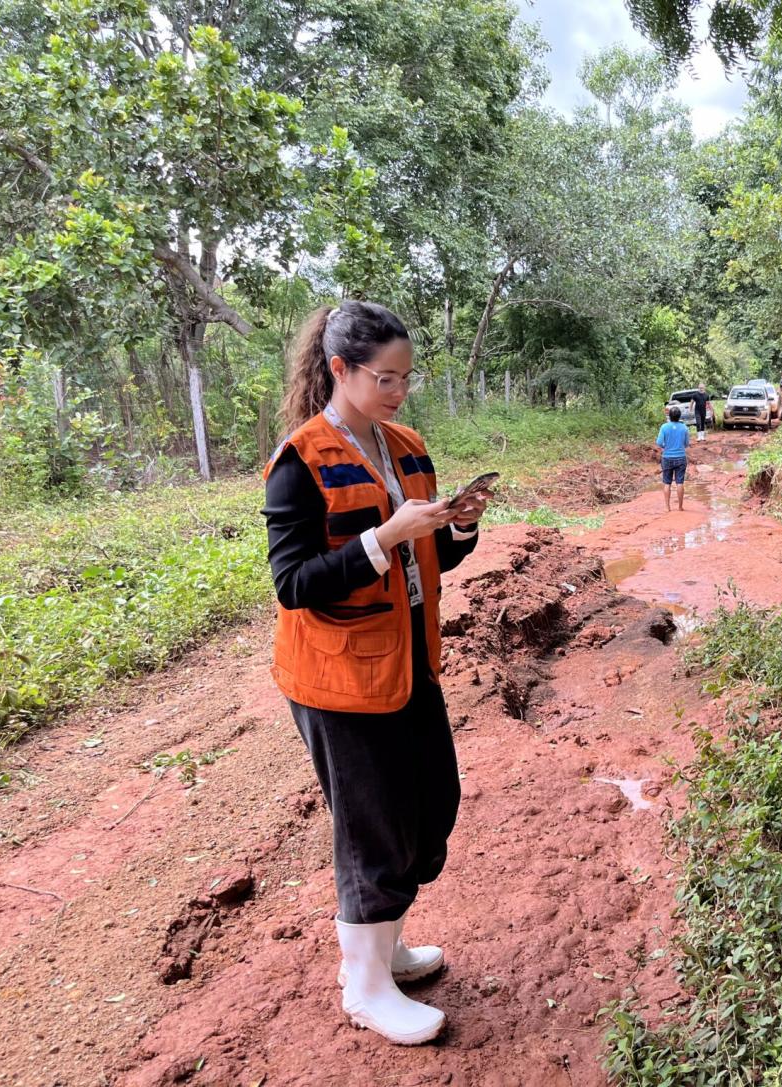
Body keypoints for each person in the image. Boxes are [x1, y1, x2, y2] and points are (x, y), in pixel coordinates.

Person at [262, 300, 490, 1046]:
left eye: (405, 378)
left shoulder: (405, 446)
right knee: (372, 824)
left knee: (431, 805)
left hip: (409, 663)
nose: (397, 391)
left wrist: (457, 526)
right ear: (339, 369)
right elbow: (293, 582)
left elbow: (427, 562)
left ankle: (385, 943)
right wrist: (382, 536)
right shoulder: (301, 461)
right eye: (383, 377)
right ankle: (364, 985)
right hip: (338, 679)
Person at [657, 404, 690, 511]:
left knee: (667, 482)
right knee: (680, 482)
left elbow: (659, 442)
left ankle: (667, 507)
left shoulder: (664, 427)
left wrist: (665, 447)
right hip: (681, 457)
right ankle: (680, 507)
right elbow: (686, 444)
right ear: (679, 416)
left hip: (667, 457)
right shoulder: (684, 427)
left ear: (669, 416)